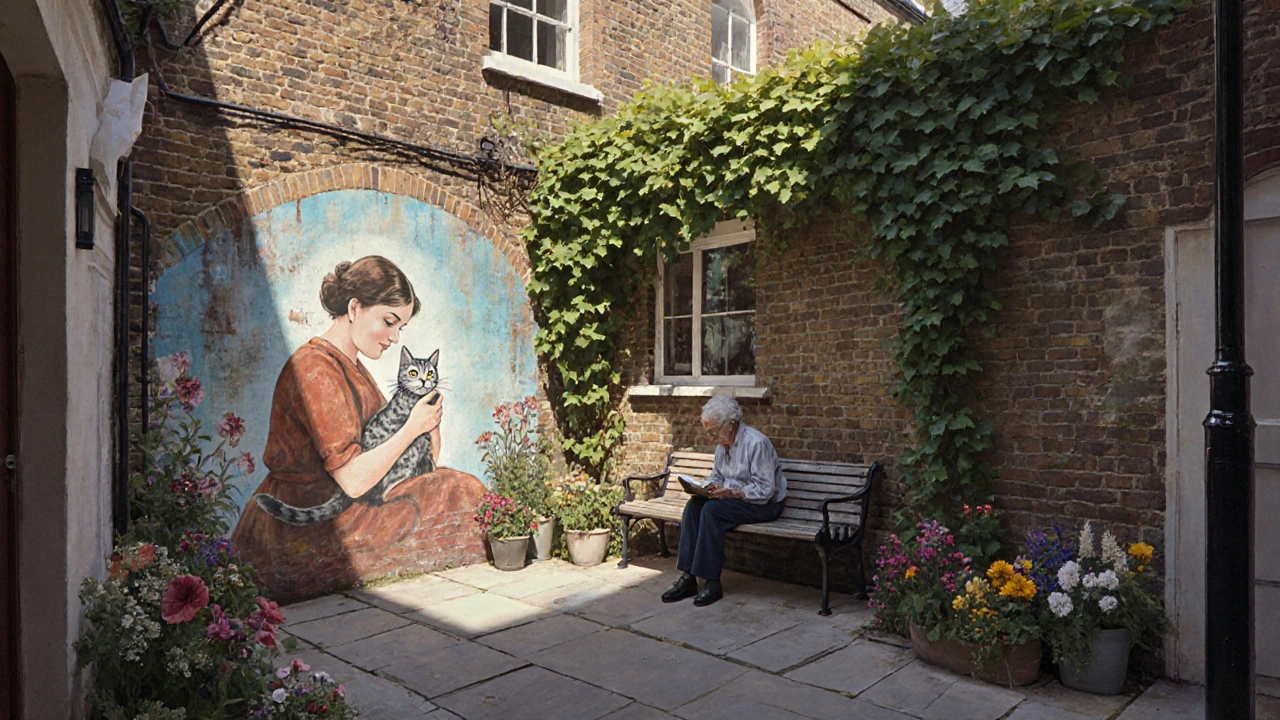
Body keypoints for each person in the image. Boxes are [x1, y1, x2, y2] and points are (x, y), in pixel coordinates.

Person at [231, 256, 486, 601]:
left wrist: (429, 424)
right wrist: (412, 428)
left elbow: (419, 460)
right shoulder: (314, 369)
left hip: (353, 505)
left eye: (401, 328)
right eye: (389, 322)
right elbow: (352, 478)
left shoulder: (355, 368)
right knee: (459, 493)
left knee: (454, 486)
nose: (395, 338)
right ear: (354, 308)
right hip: (307, 521)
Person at [662, 396, 787, 607]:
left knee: (712, 511)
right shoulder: (723, 444)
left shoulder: (756, 443)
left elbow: (767, 490)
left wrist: (735, 493)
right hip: (735, 500)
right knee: (695, 506)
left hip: (765, 505)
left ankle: (711, 582)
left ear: (731, 423)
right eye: (708, 433)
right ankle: (689, 577)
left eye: (713, 432)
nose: (712, 439)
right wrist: (708, 487)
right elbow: (718, 476)